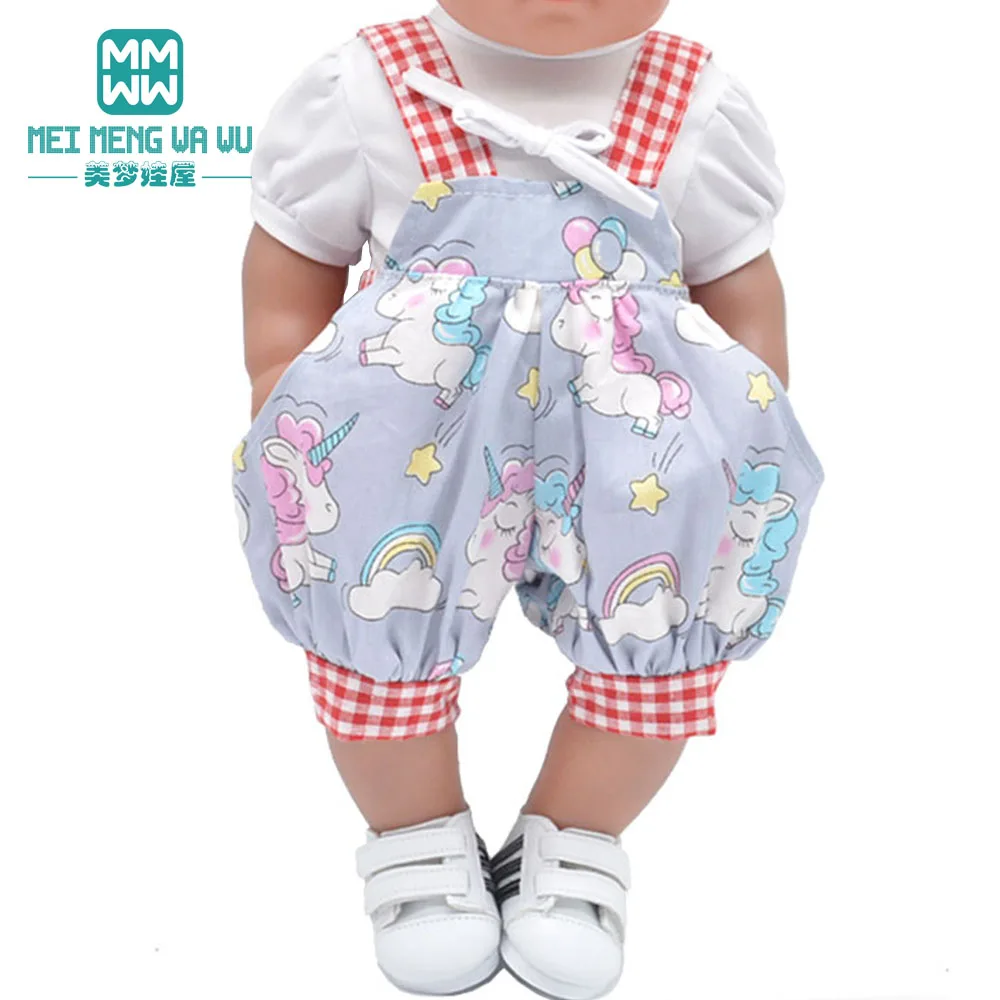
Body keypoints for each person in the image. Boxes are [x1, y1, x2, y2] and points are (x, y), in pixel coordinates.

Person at [235, 2, 824, 996]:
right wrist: (280, 383)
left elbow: (740, 281)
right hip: (408, 436)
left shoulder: (693, 102)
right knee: (379, 639)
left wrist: (747, 413)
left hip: (637, 443)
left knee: (659, 646)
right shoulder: (369, 87)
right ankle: (416, 840)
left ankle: (576, 835)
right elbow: (294, 259)